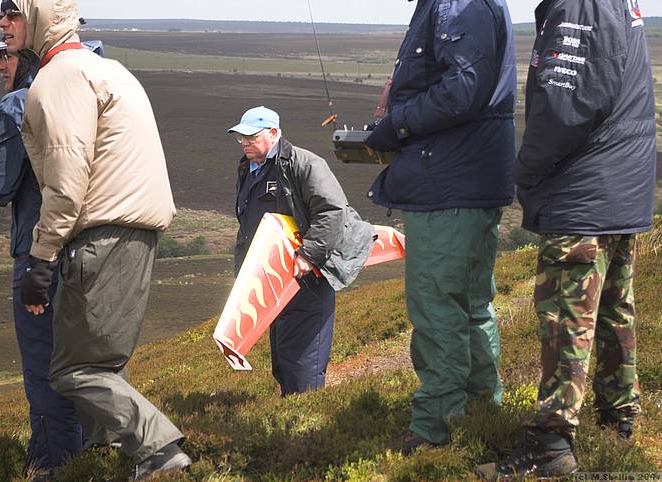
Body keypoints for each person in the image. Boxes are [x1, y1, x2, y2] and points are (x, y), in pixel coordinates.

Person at [477, 0, 657, 478]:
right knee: (615, 308)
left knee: (564, 318)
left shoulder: (578, 5)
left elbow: (565, 106)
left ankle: (550, 443)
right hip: (620, 189)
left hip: (584, 193)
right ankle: (618, 419)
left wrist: (526, 173)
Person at [11, 0, 190, 478]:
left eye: (12, 13)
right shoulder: (107, 70)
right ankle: (110, 459)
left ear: (40, 18)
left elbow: (66, 182)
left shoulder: (59, 78)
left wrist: (41, 257)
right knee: (102, 362)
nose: (2, 24)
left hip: (102, 237)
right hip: (135, 234)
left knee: (74, 370)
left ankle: (158, 449)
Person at [364, 0, 518, 453]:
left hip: (450, 181)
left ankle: (437, 426)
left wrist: (397, 123)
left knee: (437, 305)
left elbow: (463, 88)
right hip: (469, 178)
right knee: (469, 302)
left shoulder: (458, 5)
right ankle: (481, 411)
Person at [0, 40, 82, 475]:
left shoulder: (19, 104)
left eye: (7, 55)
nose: (1, 66)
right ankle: (100, 463)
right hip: (95, 257)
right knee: (92, 367)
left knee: (44, 370)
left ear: (32, 55)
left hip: (41, 258)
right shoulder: (92, 88)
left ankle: (54, 467)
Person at [229, 106, 374, 396]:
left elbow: (332, 212)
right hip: (274, 280)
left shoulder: (304, 163)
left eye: (251, 136)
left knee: (303, 361)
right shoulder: (247, 168)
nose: (244, 142)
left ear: (273, 133)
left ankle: (306, 428)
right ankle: (291, 418)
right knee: (283, 358)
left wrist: (309, 256)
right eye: (240, 137)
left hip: (308, 278)